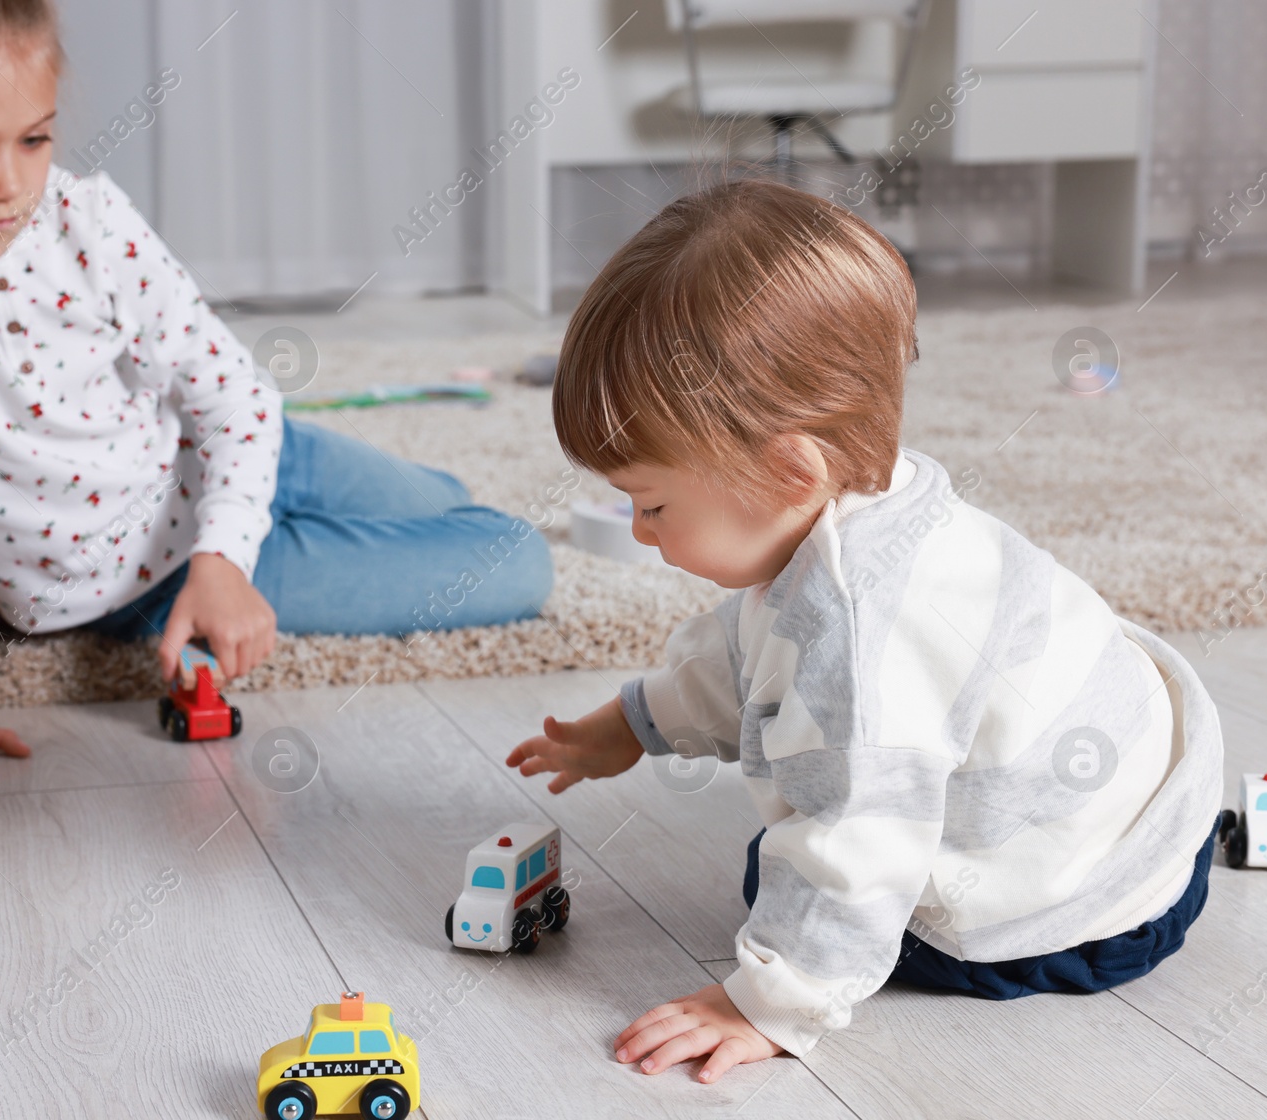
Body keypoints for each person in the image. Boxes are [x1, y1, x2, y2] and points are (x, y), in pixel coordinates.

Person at [506, 177, 1223, 1081]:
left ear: (789, 471)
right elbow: (749, 646)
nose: (640, 530)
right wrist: (638, 720)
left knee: (783, 877)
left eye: (651, 503)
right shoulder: (865, 504)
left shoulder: (861, 641)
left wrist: (766, 1001)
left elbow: (859, 834)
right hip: (1147, 797)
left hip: (1089, 907)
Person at [0, 0, 551, 791]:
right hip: (153, 578)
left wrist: (228, 552)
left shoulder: (88, 217)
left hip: (246, 462)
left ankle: (260, 530)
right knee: (516, 560)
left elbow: (234, 396)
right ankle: (256, 543)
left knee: (448, 501)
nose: (9, 183)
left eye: (36, 137)